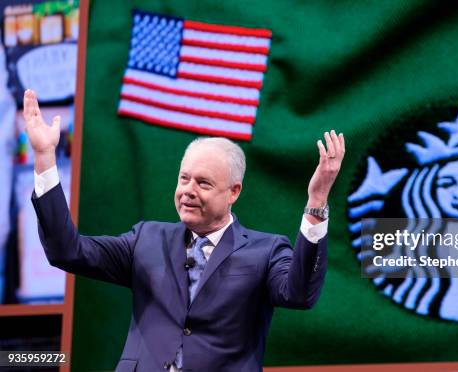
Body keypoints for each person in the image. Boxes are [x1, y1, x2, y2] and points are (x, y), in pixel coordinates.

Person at [23, 89, 345, 371]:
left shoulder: (267, 250)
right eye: (183, 178)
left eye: (203, 183)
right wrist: (44, 158)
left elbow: (300, 294)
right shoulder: (145, 239)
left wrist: (316, 201)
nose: (188, 190)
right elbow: (67, 251)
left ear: (234, 192)